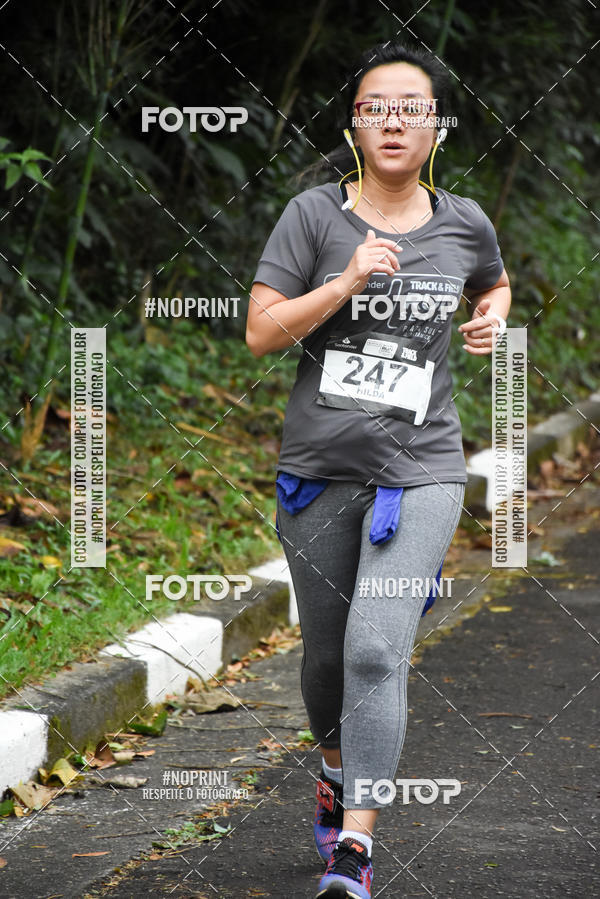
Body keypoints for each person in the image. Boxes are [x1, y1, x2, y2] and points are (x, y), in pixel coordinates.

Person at [246, 40, 511, 899]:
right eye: (376, 108)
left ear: (438, 128)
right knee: (326, 662)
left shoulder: (465, 221)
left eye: (412, 108)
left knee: (372, 649)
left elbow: (494, 282)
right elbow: (260, 332)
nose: (394, 122)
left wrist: (492, 318)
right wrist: (345, 281)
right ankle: (334, 768)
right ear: (354, 127)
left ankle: (355, 847)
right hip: (319, 472)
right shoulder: (312, 217)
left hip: (423, 471)